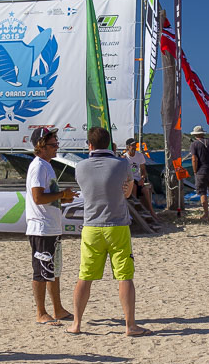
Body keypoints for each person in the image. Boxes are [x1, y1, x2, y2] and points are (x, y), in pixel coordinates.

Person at [68, 126, 150, 337]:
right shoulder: (122, 164)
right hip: (117, 225)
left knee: (84, 276)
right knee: (125, 276)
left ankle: (76, 324)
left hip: (92, 226)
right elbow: (128, 192)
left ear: (90, 145)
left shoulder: (80, 167)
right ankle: (130, 325)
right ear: (110, 144)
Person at [26, 126, 76, 325]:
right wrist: (61, 194)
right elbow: (38, 198)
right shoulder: (38, 166)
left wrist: (63, 198)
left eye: (57, 143)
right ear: (41, 146)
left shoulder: (46, 165)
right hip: (41, 228)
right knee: (41, 271)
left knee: (53, 271)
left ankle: (58, 309)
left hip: (51, 226)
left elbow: (47, 197)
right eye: (53, 144)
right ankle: (41, 313)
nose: (57, 146)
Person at [189, 125, 209, 221]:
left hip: (201, 171)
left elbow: (194, 159)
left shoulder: (194, 144)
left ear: (195, 135)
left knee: (202, 192)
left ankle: (206, 214)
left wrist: (195, 170)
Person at [123, 137, 159, 222]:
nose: (134, 147)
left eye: (135, 145)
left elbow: (143, 170)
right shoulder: (125, 157)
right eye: (132, 146)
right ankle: (135, 211)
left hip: (137, 179)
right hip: (129, 180)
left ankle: (151, 211)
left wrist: (142, 179)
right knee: (134, 187)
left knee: (145, 190)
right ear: (128, 147)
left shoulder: (139, 155)